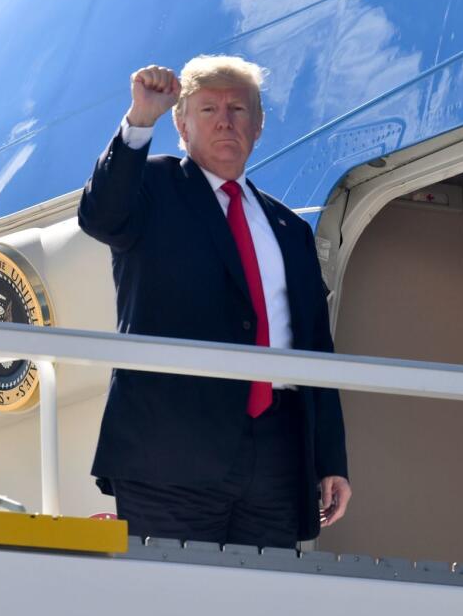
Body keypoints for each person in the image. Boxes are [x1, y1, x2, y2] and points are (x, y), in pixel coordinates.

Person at [78, 55, 350, 548]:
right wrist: (141, 118)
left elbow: (314, 346)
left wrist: (330, 459)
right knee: (174, 611)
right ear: (182, 124)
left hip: (277, 455)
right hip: (171, 449)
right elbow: (102, 215)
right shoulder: (154, 187)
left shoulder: (289, 229)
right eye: (208, 109)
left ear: (259, 125)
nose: (225, 120)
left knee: (265, 613)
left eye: (238, 109)